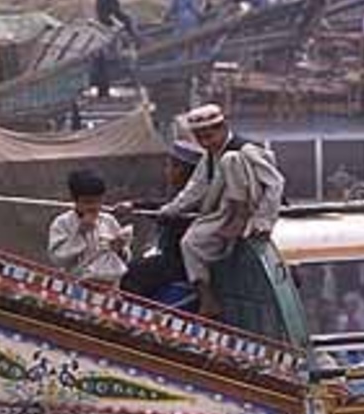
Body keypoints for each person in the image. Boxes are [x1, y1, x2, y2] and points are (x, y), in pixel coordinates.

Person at [158, 104, 285, 318]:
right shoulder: (209, 156)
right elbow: (195, 188)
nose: (206, 142)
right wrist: (170, 210)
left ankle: (239, 216)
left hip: (251, 206)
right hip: (224, 211)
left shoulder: (245, 149)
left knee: (231, 159)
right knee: (190, 243)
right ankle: (208, 299)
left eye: (210, 135)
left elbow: (276, 183)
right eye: (200, 137)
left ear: (222, 128)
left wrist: (263, 221)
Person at [120, 141, 204, 298]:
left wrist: (144, 209)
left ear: (189, 173)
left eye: (174, 167)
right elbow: (163, 205)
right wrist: (134, 205)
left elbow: (168, 214)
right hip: (170, 258)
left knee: (129, 274)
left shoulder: (194, 198)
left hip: (183, 262)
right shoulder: (179, 195)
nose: (168, 171)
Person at [49, 169, 133, 285]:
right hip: (76, 284)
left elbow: (125, 258)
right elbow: (57, 259)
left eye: (98, 201)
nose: (94, 207)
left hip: (109, 285)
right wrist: (80, 233)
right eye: (87, 202)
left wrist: (119, 248)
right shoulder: (62, 223)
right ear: (75, 200)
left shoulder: (109, 221)